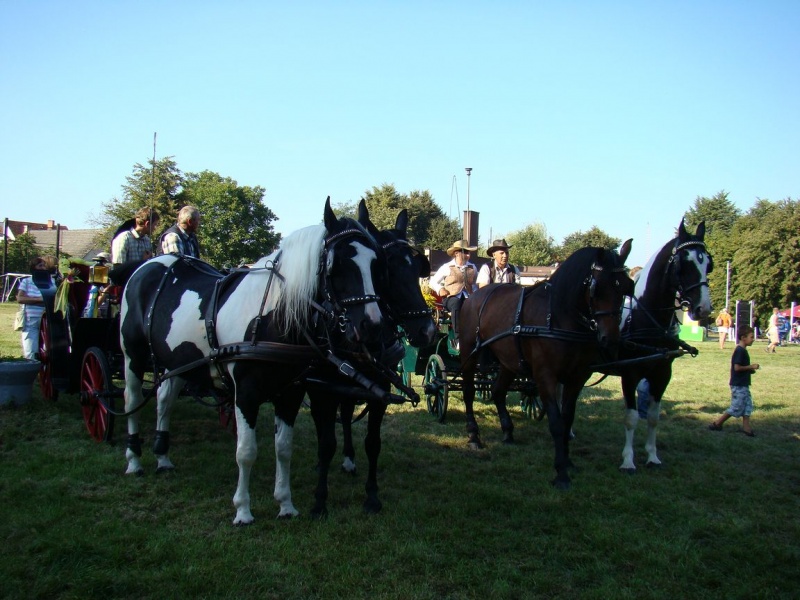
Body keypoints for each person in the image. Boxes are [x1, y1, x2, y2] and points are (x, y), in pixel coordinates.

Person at [709, 325, 759, 437]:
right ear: (743, 338)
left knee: (747, 406)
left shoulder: (743, 350)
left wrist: (749, 370)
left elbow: (741, 367)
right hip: (738, 384)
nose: (753, 339)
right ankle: (717, 423)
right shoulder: (740, 351)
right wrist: (751, 366)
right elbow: (737, 368)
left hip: (744, 383)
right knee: (737, 406)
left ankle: (746, 428)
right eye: (751, 337)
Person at [431, 239, 478, 350]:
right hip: (450, 298)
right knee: (456, 303)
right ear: (456, 253)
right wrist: (440, 289)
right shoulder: (447, 267)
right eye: (465, 252)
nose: (468, 255)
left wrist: (475, 293)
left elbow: (475, 284)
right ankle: (458, 340)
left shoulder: (472, 267)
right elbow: (432, 282)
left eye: (469, 252)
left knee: (476, 306)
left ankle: (476, 337)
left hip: (468, 297)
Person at [17, 257, 54, 360]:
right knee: (31, 348)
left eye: (44, 265)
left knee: (47, 349)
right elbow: (20, 298)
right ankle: (31, 365)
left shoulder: (52, 281)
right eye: (40, 265)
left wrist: (33, 300)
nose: (43, 268)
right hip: (31, 318)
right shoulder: (26, 281)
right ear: (34, 268)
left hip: (47, 318)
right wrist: (40, 299)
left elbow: (53, 298)